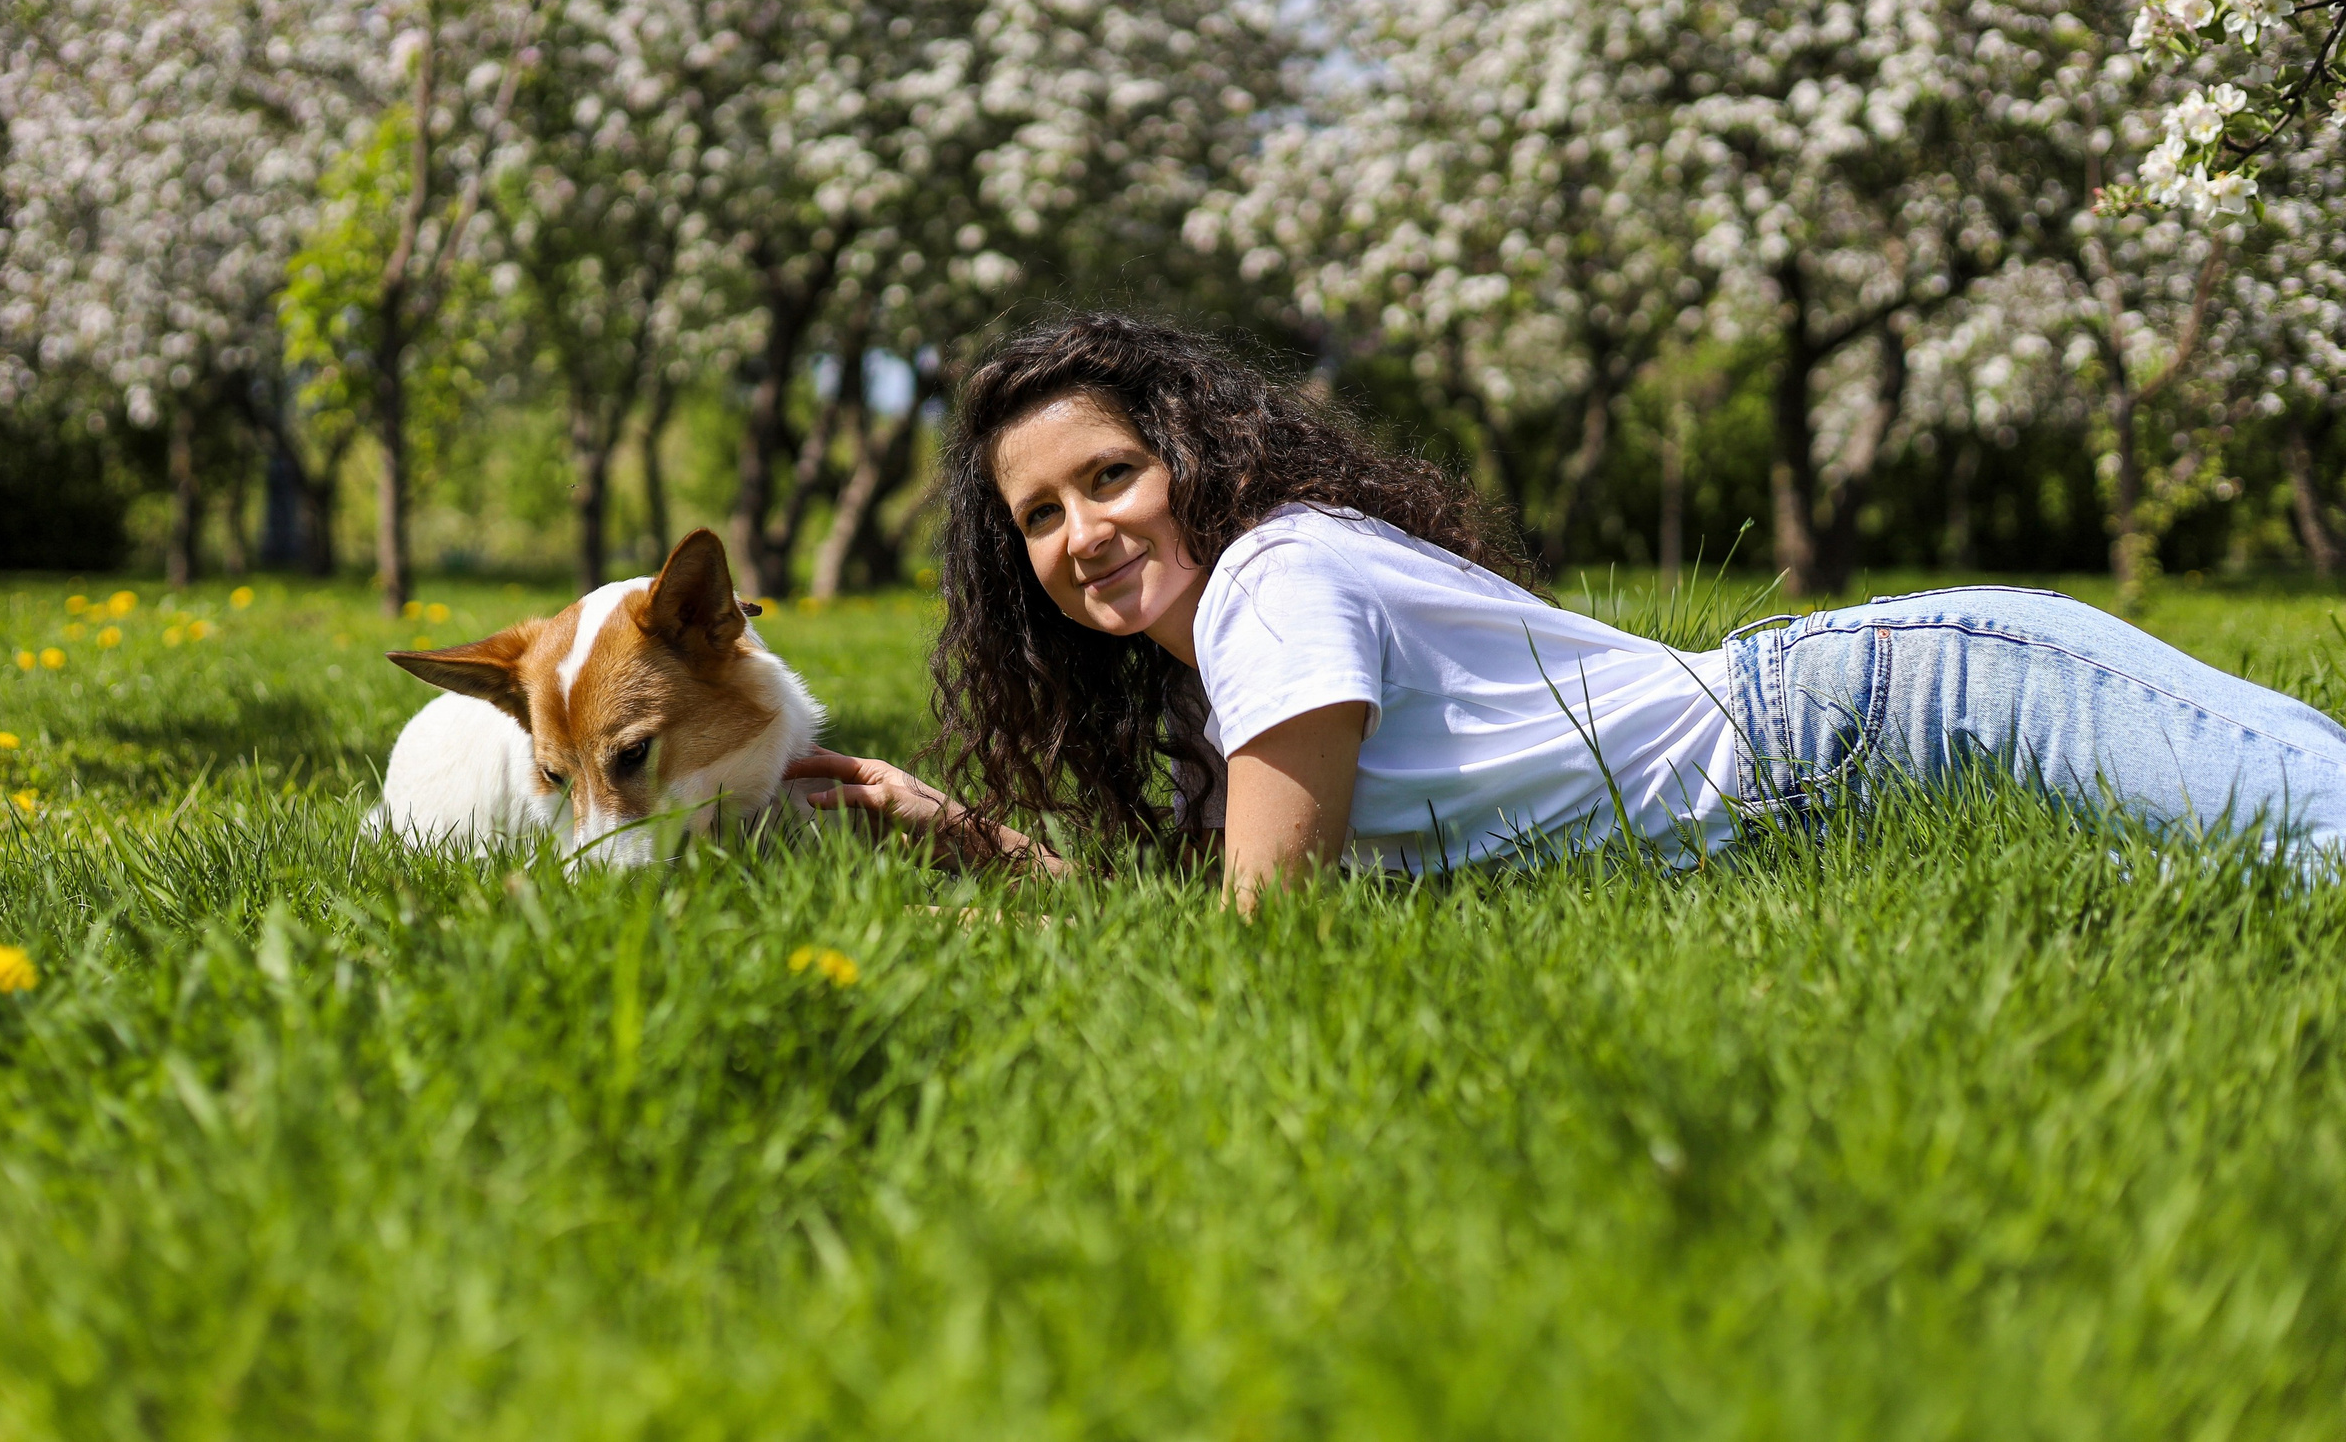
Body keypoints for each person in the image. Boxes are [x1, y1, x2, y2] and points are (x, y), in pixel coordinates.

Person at [786, 313, 2346, 911]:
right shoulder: (1217, 685)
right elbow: (1208, 916)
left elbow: (1262, 935)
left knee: (2316, 831)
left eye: (1110, 475)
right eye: (1039, 516)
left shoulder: (1274, 583)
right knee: (2244, 877)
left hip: (1909, 708)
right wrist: (969, 837)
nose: (1083, 533)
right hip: (1844, 786)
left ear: (1187, 456)